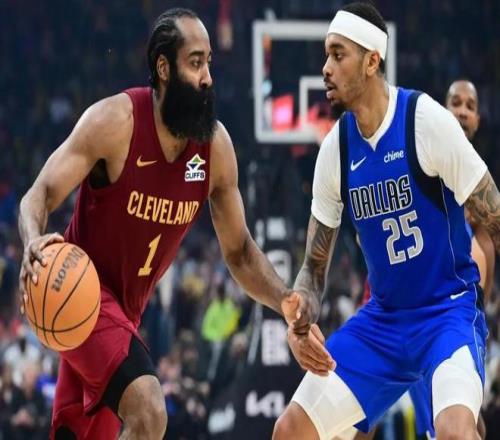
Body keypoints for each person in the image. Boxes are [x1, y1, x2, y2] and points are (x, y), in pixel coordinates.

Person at [18, 8, 332, 439]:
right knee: (149, 411)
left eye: (209, 64)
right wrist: (32, 241)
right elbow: (39, 194)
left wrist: (285, 302)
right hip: (79, 291)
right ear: (163, 68)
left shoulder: (215, 149)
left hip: (125, 314)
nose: (207, 78)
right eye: (195, 63)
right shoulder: (115, 122)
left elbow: (240, 253)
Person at [273, 2, 500, 440]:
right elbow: (313, 268)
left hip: (446, 313)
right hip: (383, 321)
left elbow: (496, 216)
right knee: (290, 430)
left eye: (338, 54)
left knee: (457, 432)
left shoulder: (425, 120)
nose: (325, 68)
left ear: (372, 61)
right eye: (326, 55)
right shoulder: (335, 149)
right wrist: (301, 317)